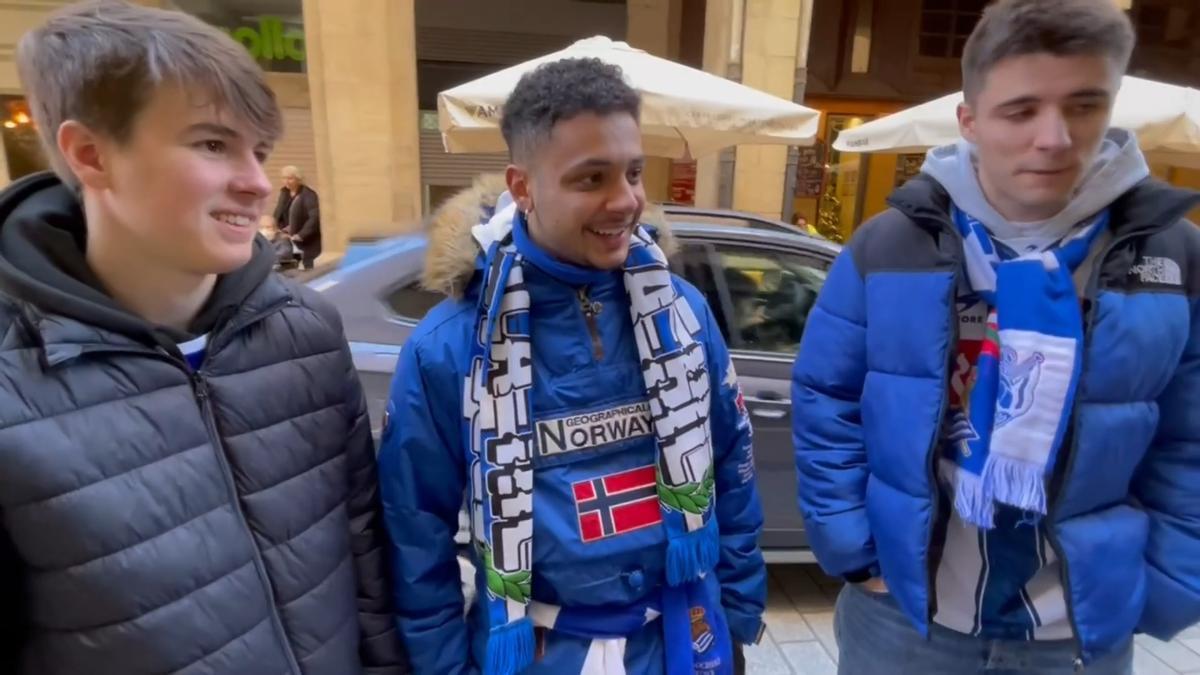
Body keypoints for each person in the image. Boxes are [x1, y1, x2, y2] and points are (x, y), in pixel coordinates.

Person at [792, 0, 1200, 673]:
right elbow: (825, 400)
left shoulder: (1172, 256)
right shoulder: (890, 245)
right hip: (904, 620)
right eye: (1021, 110)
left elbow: (1190, 437)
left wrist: (1168, 579)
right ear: (970, 120)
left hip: (1077, 631)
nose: (1055, 137)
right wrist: (856, 551)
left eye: (1083, 105)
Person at [0, 2, 407, 673]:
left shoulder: (305, 332)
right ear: (91, 154)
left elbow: (364, 558)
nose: (255, 182)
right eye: (213, 143)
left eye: (261, 151)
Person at [378, 57, 766, 674]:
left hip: (682, 643)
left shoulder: (683, 313)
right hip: (534, 653)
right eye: (592, 179)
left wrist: (739, 616)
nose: (626, 201)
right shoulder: (450, 346)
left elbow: (732, 470)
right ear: (523, 186)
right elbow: (414, 533)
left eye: (634, 172)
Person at [273, 165, 320, 269]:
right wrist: (279, 229)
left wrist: (301, 235)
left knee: (308, 266)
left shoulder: (308, 195)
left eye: (290, 178)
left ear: (299, 179)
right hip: (287, 237)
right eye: (284, 178)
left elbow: (314, 218)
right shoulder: (284, 192)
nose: (286, 181)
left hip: (305, 239)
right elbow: (279, 212)